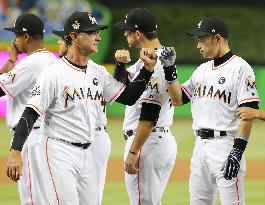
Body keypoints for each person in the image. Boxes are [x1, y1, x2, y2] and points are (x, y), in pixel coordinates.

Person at [6, 11, 157, 205]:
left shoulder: (97, 71)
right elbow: (30, 113)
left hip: (88, 151)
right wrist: (15, 151)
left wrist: (147, 69)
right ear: (75, 36)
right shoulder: (53, 74)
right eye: (92, 32)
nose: (98, 37)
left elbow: (128, 97)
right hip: (58, 151)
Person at [167, 16, 260, 204]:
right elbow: (177, 99)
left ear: (217, 39)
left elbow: (248, 113)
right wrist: (169, 69)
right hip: (200, 146)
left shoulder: (240, 68)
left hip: (226, 144)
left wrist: (237, 152)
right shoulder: (201, 70)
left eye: (201, 39)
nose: (198, 45)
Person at [114, 8, 178, 205]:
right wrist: (120, 65)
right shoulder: (149, 60)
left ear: (138, 33)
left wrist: (133, 151)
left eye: (127, 30)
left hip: (147, 142)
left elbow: (149, 115)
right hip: (154, 142)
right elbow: (120, 92)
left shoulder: (157, 63)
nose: (125, 33)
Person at [0, 13, 57, 204]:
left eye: (16, 35)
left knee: (32, 199)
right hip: (48, 136)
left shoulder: (30, 63)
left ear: (25, 37)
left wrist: (10, 61)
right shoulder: (51, 59)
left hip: (30, 137)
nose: (14, 40)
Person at [53, 28, 112, 204]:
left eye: (61, 40)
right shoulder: (60, 71)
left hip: (94, 135)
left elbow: (120, 94)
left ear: (70, 41)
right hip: (72, 138)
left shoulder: (94, 71)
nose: (59, 43)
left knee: (91, 197)